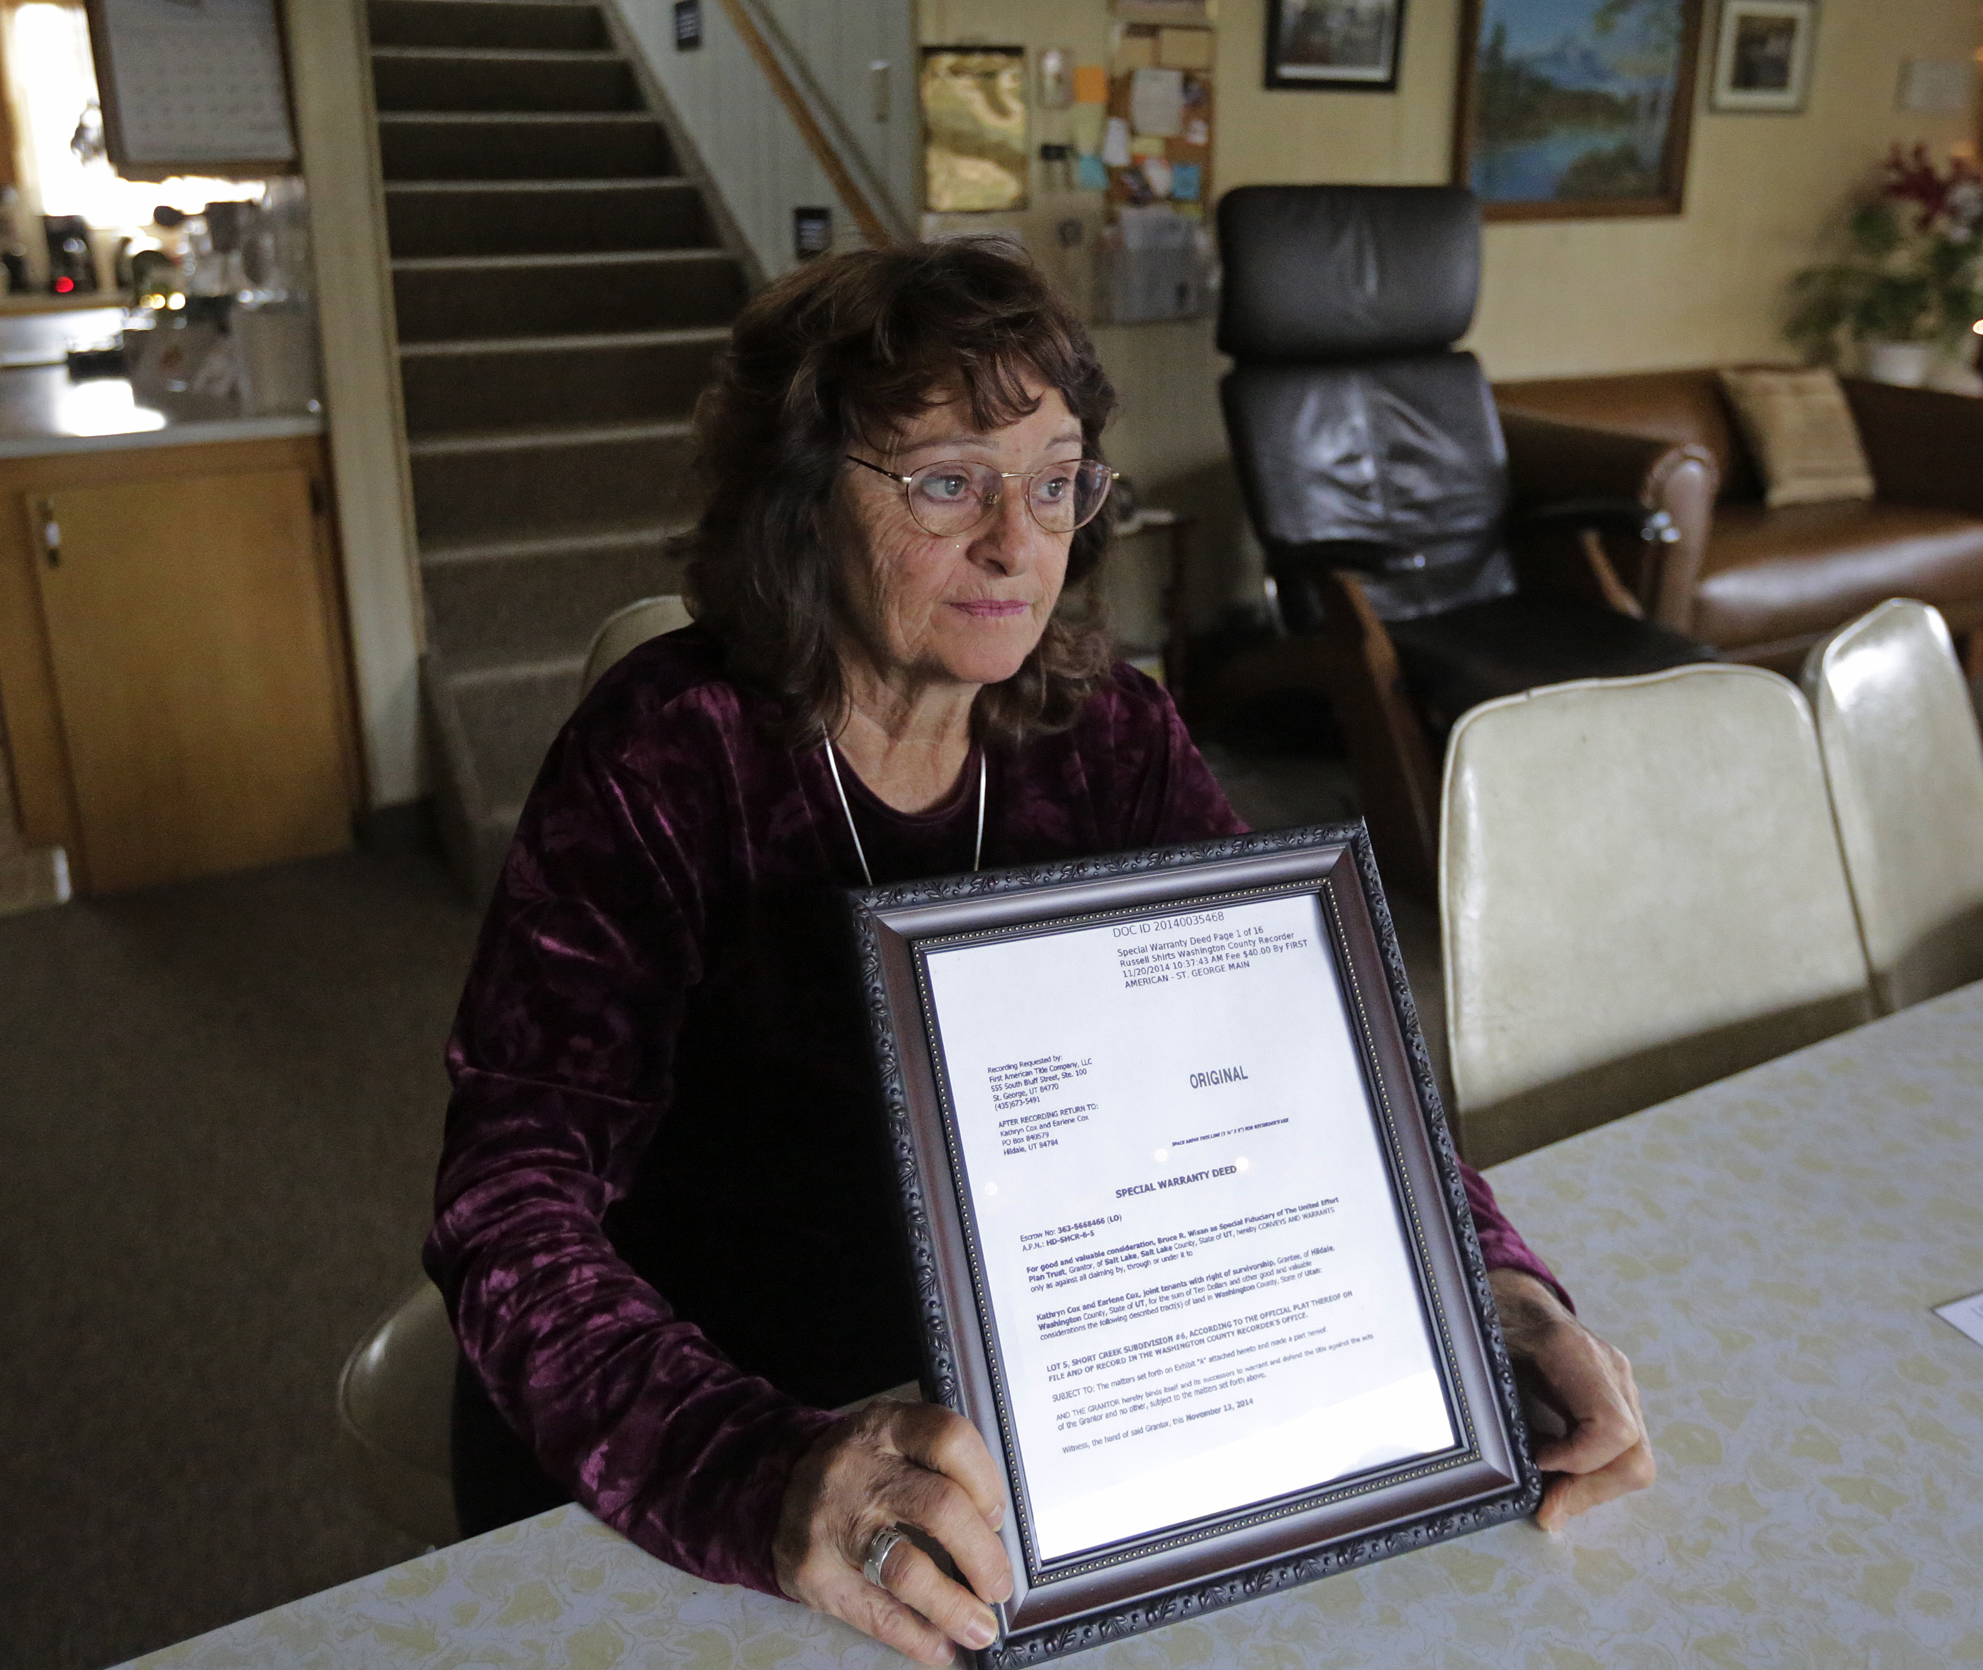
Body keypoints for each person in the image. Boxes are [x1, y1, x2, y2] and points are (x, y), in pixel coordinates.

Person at [427, 241, 1652, 1666]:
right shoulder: (663, 756)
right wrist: (747, 1471)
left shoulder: (1106, 731)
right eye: (949, 480)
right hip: (722, 1405)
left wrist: (1492, 1289)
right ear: (798, 496)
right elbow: (505, 1206)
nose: (1021, 541)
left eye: (1056, 478)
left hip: (1043, 1385)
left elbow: (1306, 1057)